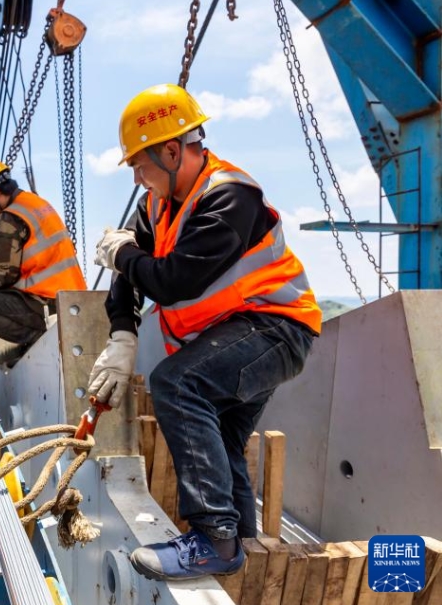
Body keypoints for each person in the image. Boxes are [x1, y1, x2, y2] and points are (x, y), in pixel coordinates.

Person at [89, 83, 322, 582]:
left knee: (178, 383)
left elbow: (172, 282)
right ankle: (240, 550)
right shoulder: (157, 203)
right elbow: (130, 276)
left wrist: (122, 254)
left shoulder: (228, 196)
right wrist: (121, 338)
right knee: (223, 439)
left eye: (140, 163)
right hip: (235, 338)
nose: (137, 175)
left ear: (173, 151)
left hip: (275, 330)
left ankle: (214, 538)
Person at [0, 157, 87, 349]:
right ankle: (35, 334)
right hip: (72, 296)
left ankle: (35, 336)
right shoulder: (34, 203)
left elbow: (4, 277)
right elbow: (28, 249)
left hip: (45, 302)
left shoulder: (9, 217)